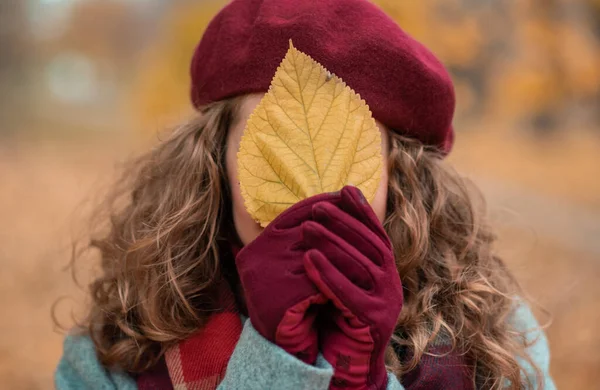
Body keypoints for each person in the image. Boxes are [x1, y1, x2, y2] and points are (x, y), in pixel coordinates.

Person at [54, 0, 556, 389]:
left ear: (399, 175)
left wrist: (366, 378)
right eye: (274, 148)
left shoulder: (494, 337)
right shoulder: (116, 352)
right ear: (210, 165)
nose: (309, 201)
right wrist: (276, 364)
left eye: (350, 154)